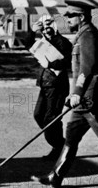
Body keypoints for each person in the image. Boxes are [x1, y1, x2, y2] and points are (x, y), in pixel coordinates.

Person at [31, 0, 98, 188]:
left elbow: (87, 69)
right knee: (71, 136)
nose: (67, 19)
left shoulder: (88, 36)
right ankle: (56, 176)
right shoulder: (82, 35)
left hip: (92, 98)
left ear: (80, 17)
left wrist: (77, 93)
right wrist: (73, 94)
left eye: (70, 16)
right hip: (84, 98)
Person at [31, 16, 72, 160]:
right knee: (38, 115)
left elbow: (66, 61)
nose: (46, 27)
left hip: (57, 85)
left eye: (49, 24)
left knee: (51, 118)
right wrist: (32, 33)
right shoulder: (42, 41)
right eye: (43, 25)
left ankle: (59, 148)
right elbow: (29, 45)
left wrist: (51, 64)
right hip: (45, 84)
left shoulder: (63, 42)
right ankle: (60, 144)